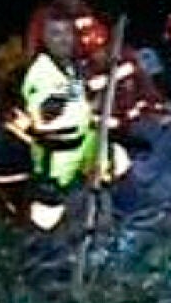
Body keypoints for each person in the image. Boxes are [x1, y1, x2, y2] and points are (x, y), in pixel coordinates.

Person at [17, 16, 129, 229]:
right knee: (53, 219)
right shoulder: (40, 72)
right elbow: (46, 112)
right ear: (44, 39)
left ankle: (110, 230)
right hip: (58, 158)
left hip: (84, 146)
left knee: (115, 166)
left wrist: (102, 94)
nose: (63, 40)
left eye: (67, 33)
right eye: (55, 34)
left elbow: (82, 102)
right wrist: (68, 94)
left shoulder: (72, 68)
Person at [25, 0, 104, 57]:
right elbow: (32, 46)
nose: (73, 2)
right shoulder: (43, 16)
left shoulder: (86, 14)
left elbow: (98, 40)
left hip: (80, 62)